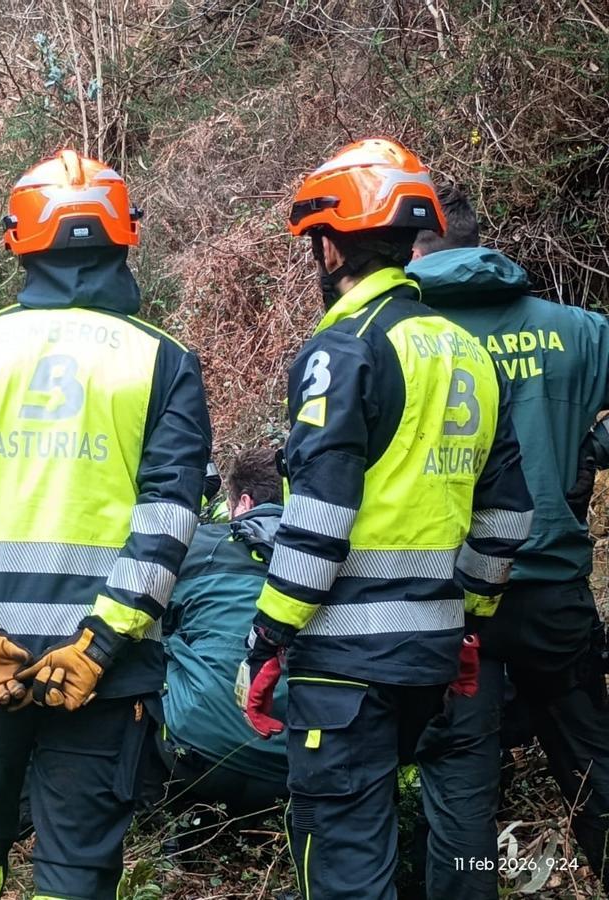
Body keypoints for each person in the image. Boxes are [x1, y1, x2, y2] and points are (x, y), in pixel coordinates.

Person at [0, 149, 214, 900]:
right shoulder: (162, 361)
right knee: (75, 867)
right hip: (100, 674)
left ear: (17, 240)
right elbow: (168, 522)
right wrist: (100, 644)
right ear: (124, 237)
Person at [234, 138, 533, 900]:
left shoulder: (346, 349)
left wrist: (267, 634)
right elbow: (505, 516)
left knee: (344, 866)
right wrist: (468, 616)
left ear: (331, 247)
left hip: (343, 666)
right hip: (431, 659)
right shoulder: (466, 352)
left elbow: (320, 515)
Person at [407, 183, 609, 892]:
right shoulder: (578, 329)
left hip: (447, 596)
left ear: (413, 244)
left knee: (460, 779)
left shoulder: (396, 335)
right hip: (553, 587)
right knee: (592, 757)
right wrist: (588, 450)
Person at [160, 447, 288, 818]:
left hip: (191, 759)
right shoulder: (326, 559)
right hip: (290, 770)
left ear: (243, 502)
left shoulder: (201, 546)